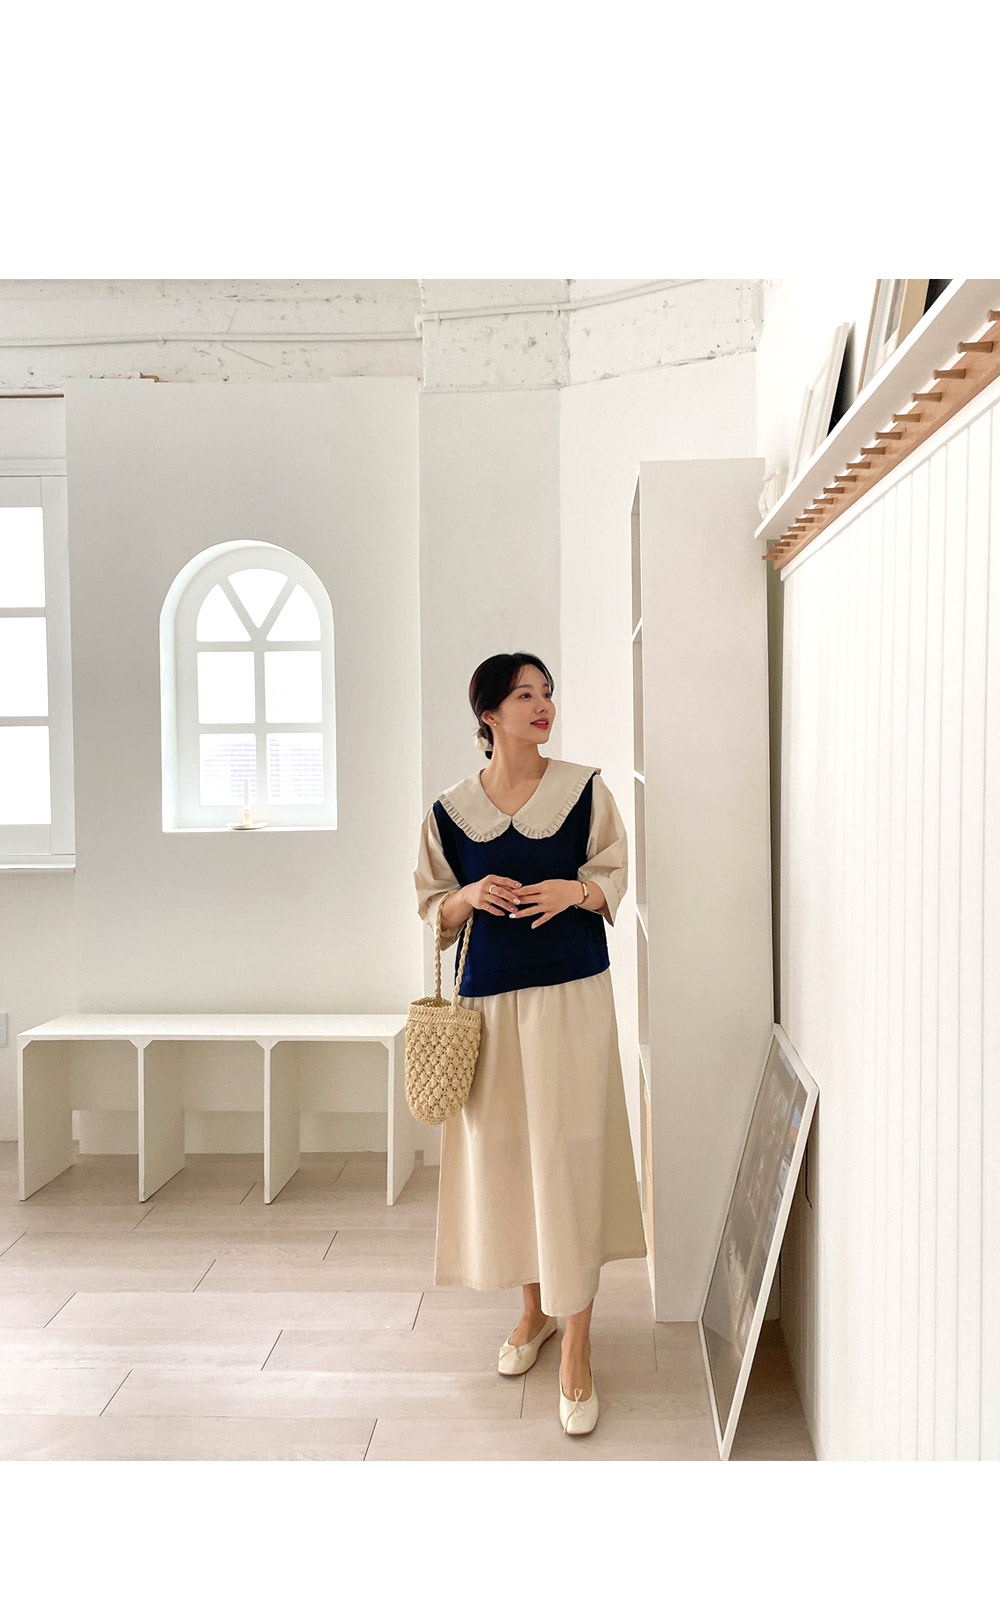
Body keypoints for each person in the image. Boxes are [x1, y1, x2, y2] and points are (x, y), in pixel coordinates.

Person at [412, 652, 647, 1436]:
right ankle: (534, 1312)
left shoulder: (584, 789)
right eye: (525, 695)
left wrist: (576, 890)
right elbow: (431, 905)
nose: (544, 706)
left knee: (568, 1156)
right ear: (488, 714)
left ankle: (578, 1342)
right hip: (487, 1007)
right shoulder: (450, 811)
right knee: (511, 1157)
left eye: (547, 693)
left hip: (573, 996)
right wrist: (466, 896)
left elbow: (613, 872)